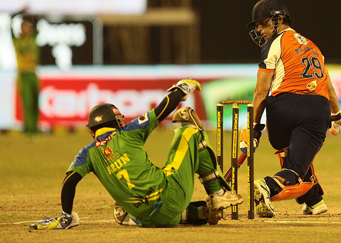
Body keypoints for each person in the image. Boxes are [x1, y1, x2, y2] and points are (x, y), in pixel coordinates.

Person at [30, 79, 243, 229]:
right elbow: (164, 109)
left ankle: (194, 213)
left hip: (148, 220)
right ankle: (218, 193)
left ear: (92, 130)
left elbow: (69, 181)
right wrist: (181, 89)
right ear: (115, 121)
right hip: (171, 195)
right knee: (186, 121)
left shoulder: (87, 153)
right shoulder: (129, 132)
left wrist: (67, 215)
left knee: (123, 209)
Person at [244, 0, 341, 218]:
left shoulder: (273, 45)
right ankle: (268, 186)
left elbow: (260, 92)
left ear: (279, 19)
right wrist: (337, 116)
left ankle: (314, 199)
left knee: (295, 154)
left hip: (280, 111)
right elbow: (330, 90)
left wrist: (253, 128)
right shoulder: (314, 46)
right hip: (315, 109)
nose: (259, 29)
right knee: (295, 168)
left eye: (262, 23)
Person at [10, 8, 40, 136]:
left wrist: (30, 14)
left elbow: (38, 22)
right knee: (27, 103)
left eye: (28, 26)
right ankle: (29, 130)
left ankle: (34, 127)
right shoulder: (17, 40)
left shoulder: (33, 39)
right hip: (23, 74)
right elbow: (10, 22)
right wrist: (19, 12)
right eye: (24, 26)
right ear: (21, 28)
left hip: (33, 74)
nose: (27, 29)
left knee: (35, 102)